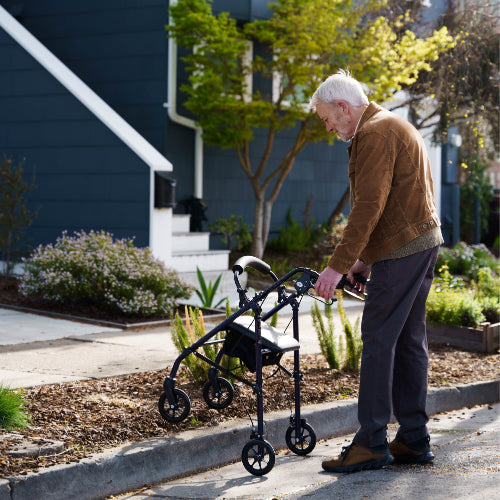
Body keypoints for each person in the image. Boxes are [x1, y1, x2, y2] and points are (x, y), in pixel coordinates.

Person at [310, 70, 444, 473]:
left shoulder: (375, 133)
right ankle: (414, 439)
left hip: (405, 251)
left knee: (378, 339)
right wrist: (365, 260)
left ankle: (370, 443)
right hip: (419, 244)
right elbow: (397, 201)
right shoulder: (389, 125)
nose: (328, 126)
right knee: (406, 341)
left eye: (327, 118)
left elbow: (369, 206)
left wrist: (335, 267)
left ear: (343, 107)